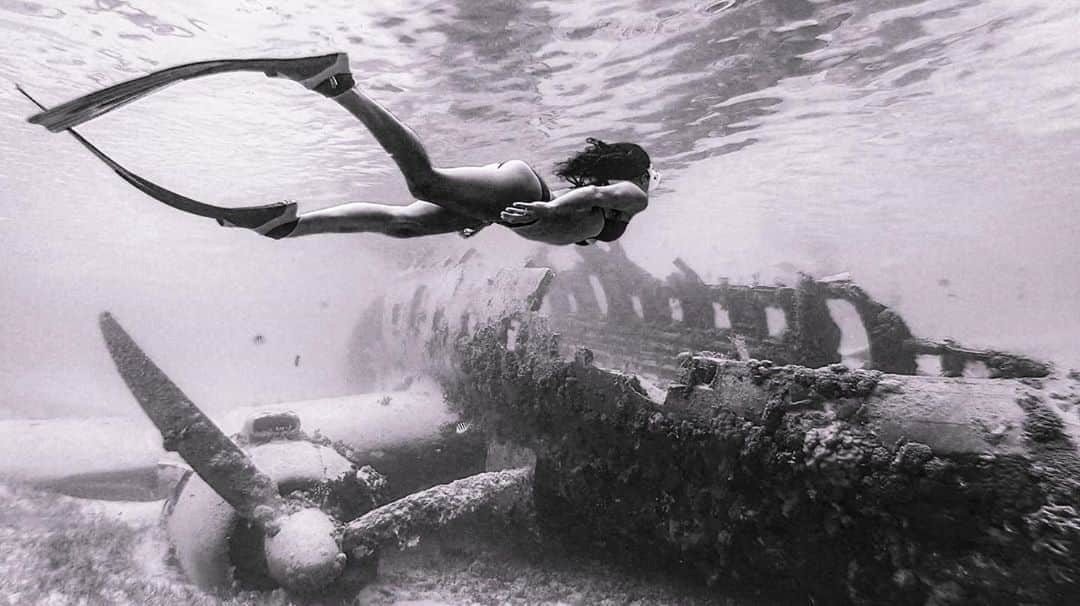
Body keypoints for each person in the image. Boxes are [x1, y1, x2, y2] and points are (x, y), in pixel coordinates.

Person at [227, 53, 656, 246]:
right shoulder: (635, 197)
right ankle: (338, 85)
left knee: (403, 226)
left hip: (511, 205)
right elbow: (598, 195)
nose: (650, 182)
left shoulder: (611, 205)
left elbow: (586, 202)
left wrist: (489, 216)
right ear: (636, 174)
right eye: (648, 175)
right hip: (526, 192)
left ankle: (287, 226)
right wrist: (544, 212)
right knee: (425, 183)